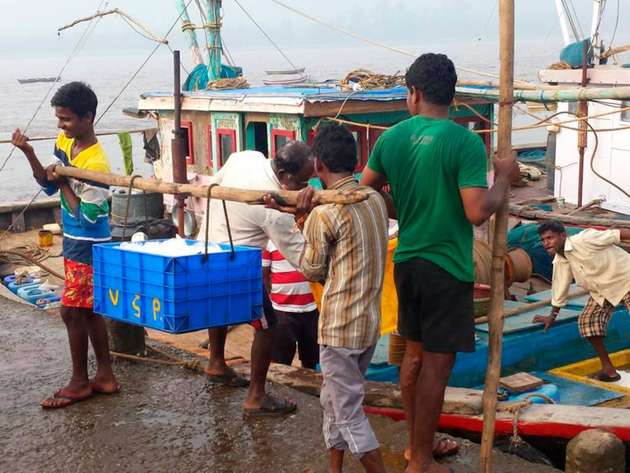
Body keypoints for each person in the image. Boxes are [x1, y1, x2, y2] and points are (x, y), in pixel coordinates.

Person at [359, 53, 520, 473]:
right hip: (446, 266)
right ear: (451, 95)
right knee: (437, 364)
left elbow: (366, 191)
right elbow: (476, 211)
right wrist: (504, 176)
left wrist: (409, 204)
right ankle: (422, 461)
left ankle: (417, 447)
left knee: (413, 358)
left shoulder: (391, 138)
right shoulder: (463, 141)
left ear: (413, 93)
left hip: (408, 262)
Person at [269, 123, 389, 472]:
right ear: (354, 161)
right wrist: (306, 215)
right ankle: (333, 468)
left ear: (318, 166)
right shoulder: (375, 200)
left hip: (339, 329)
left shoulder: (325, 213)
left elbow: (311, 269)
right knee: (332, 401)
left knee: (347, 413)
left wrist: (301, 219)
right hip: (367, 325)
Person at [11, 82, 119, 408]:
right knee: (87, 312)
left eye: (67, 120)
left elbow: (87, 216)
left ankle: (79, 382)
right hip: (73, 241)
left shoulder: (96, 165)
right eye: (59, 119)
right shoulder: (65, 142)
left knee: (71, 311)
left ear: (87, 118)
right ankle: (105, 375)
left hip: (88, 243)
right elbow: (47, 185)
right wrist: (30, 154)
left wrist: (63, 183)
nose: (61, 126)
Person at [201, 141, 314, 416]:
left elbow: (217, 182)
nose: (305, 186)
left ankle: (216, 362)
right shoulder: (270, 208)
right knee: (268, 325)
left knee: (219, 311)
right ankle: (256, 395)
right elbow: (304, 260)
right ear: (285, 177)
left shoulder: (245, 157)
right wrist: (302, 214)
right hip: (239, 263)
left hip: (207, 249)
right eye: (302, 181)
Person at [533, 221, 630, 381]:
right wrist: (552, 316)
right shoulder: (560, 260)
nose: (546, 243)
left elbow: (618, 234)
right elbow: (560, 288)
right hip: (603, 290)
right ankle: (609, 369)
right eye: (543, 240)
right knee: (588, 321)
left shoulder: (585, 239)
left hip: (626, 279)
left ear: (563, 235)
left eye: (550, 238)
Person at [262, 240, 319, 369]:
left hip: (312, 309)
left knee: (312, 360)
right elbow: (264, 274)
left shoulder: (311, 237)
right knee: (280, 361)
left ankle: (308, 387)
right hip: (282, 311)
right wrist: (269, 302)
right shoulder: (270, 240)